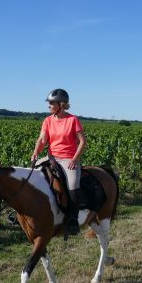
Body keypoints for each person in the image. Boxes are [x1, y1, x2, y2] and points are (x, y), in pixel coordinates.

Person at [31, 88, 87, 237]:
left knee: (73, 184)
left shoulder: (73, 120)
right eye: (48, 103)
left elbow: (82, 142)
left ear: (61, 104)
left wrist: (75, 160)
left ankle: (73, 220)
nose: (48, 106)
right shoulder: (48, 120)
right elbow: (42, 140)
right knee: (31, 175)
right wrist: (36, 152)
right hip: (52, 158)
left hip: (69, 159)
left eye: (51, 103)